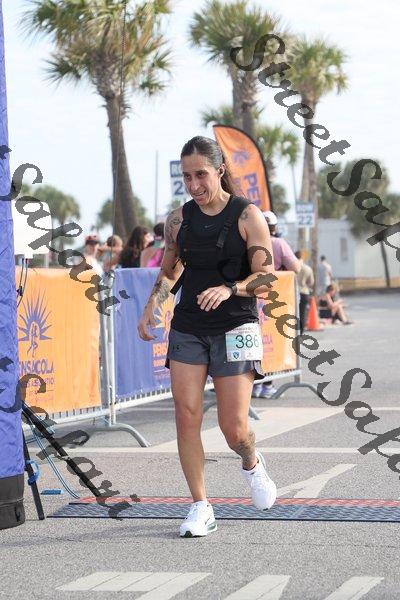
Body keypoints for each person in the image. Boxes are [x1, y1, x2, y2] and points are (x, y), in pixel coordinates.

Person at [138, 135, 277, 538]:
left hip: (237, 325)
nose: (194, 184)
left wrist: (231, 288)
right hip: (189, 327)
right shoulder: (178, 220)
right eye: (186, 177)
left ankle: (251, 462)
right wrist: (153, 306)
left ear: (219, 170)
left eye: (201, 174)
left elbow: (266, 279)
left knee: (234, 429)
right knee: (186, 417)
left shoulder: (247, 215)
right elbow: (170, 270)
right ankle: (201, 506)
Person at [253, 211, 301, 399]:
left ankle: (256, 384)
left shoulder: (248, 242)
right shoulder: (279, 243)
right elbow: (295, 267)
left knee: (256, 341)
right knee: (272, 341)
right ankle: (267, 384)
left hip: (251, 299)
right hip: (274, 299)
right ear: (274, 227)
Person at [294, 250, 314, 334]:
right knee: (302, 313)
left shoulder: (292, 268)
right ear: (302, 257)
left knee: (293, 312)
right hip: (304, 292)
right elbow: (311, 282)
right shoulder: (308, 268)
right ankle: (301, 332)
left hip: (293, 292)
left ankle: (293, 331)